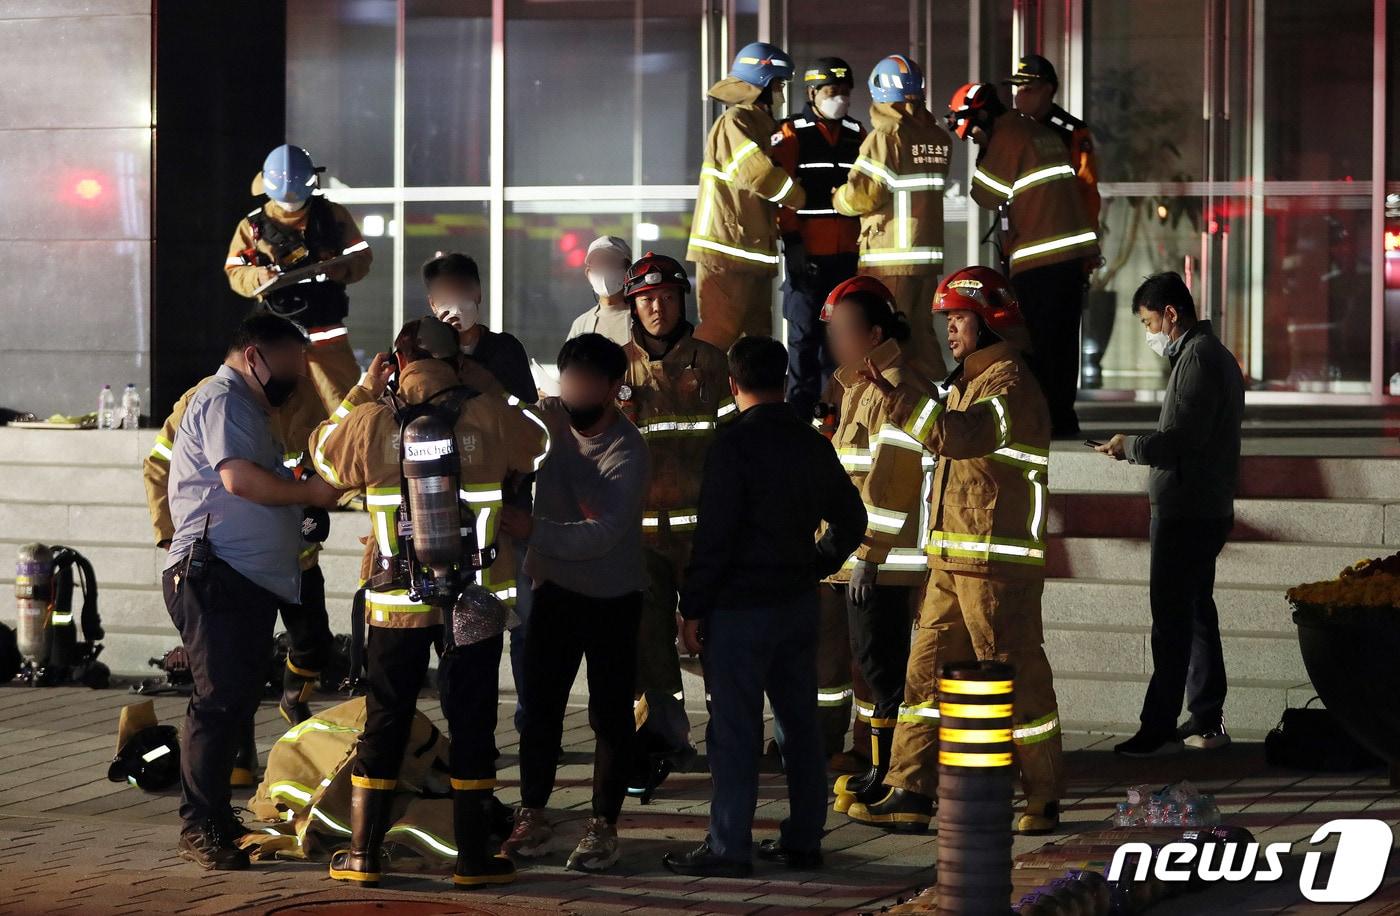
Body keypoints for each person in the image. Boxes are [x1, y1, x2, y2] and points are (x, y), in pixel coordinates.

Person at [309, 317, 546, 889]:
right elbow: (539, 441)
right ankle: (472, 859)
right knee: (473, 721)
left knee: (386, 717)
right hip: (477, 594)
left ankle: (364, 855)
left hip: (396, 597)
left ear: (396, 359)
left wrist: (364, 390)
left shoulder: (370, 419)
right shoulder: (489, 412)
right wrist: (493, 385)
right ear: (457, 360)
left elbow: (321, 455)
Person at [847, 266, 1065, 836]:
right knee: (922, 682)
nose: (950, 330)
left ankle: (1042, 795)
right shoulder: (967, 382)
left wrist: (897, 398)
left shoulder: (1009, 384)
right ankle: (910, 791)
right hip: (953, 560)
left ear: (991, 321)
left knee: (1015, 677)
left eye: (960, 318)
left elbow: (959, 435)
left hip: (996, 565)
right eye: (947, 320)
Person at [662, 337, 866, 878]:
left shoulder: (732, 447)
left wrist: (692, 607)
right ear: (783, 380)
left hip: (739, 608)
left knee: (735, 730)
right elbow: (852, 519)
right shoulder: (809, 443)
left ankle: (729, 845)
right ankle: (804, 839)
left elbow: (715, 538)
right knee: (799, 725)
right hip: (796, 603)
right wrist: (813, 564)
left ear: (733, 384)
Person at [162, 314, 341, 870]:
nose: (295, 375)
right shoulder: (224, 399)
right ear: (254, 355)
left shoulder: (248, 406)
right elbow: (238, 479)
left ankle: (213, 817)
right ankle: (201, 825)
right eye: (289, 363)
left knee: (233, 699)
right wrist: (307, 492)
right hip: (216, 572)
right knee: (218, 703)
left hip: (240, 576)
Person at [497, 333, 650, 874]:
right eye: (568, 379)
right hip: (554, 592)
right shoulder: (550, 419)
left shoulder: (627, 449)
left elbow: (604, 533)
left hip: (613, 596)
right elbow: (503, 417)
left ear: (613, 388)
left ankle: (602, 826)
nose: (575, 390)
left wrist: (531, 529)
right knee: (539, 711)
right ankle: (533, 815)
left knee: (610, 716)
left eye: (587, 381)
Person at [144, 371, 333, 778]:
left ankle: (291, 696)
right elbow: (159, 463)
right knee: (233, 670)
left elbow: (327, 454)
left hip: (295, 556)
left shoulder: (304, 394)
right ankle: (237, 758)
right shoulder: (208, 400)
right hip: (233, 560)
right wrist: (170, 534)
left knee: (315, 644)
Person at [1095, 273, 1244, 757]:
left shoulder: (1198, 358)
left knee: (1173, 621)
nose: (1148, 333)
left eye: (1148, 321)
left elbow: (1183, 439)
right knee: (1197, 613)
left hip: (1187, 509)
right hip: (1201, 505)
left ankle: (1157, 726)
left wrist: (1130, 446)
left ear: (1171, 314)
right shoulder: (1205, 355)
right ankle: (1206, 719)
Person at [614, 252, 734, 791]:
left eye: (665, 297)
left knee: (716, 637)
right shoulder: (616, 368)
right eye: (645, 299)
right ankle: (665, 737)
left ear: (682, 299)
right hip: (640, 537)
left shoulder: (713, 365)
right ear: (632, 306)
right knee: (647, 642)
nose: (656, 308)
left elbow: (738, 448)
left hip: (706, 534)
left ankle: (730, 738)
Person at [818, 276, 935, 818]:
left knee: (885, 672)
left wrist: (867, 554)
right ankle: (877, 768)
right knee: (873, 669)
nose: (835, 340)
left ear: (874, 333)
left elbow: (889, 484)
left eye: (844, 330)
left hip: (883, 564)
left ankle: (892, 776)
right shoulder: (863, 385)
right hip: (865, 559)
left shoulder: (893, 386)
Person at [947, 82, 1099, 439]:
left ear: (981, 116)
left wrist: (986, 153)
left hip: (1040, 257)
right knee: (1063, 343)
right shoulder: (1036, 129)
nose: (975, 140)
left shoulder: (1007, 135)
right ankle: (1062, 418)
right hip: (1069, 256)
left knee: (1037, 342)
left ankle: (1040, 421)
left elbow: (984, 193)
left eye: (974, 134)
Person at [225, 144, 373, 415]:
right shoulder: (252, 227)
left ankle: (344, 454)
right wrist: (259, 276)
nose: (291, 204)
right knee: (282, 407)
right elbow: (234, 271)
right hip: (277, 337)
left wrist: (339, 269)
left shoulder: (333, 216)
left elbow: (361, 256)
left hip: (326, 336)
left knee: (342, 406)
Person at [832, 54, 951, 377]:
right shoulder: (937, 137)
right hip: (925, 258)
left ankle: (886, 406)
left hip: (890, 256)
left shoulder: (885, 137)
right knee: (921, 334)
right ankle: (935, 400)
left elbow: (863, 194)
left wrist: (838, 198)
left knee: (885, 338)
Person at [686, 42, 806, 350]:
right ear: (762, 84)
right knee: (718, 339)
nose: (780, 92)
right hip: (727, 251)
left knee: (756, 346)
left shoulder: (758, 124)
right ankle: (694, 397)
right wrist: (799, 197)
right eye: (778, 84)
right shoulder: (735, 121)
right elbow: (760, 175)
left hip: (747, 252)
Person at [771, 57, 865, 418]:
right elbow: (780, 191)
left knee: (841, 340)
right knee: (804, 337)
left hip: (847, 255)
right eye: (832, 91)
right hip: (806, 253)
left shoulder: (858, 134)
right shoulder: (792, 133)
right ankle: (799, 411)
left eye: (845, 91)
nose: (839, 98)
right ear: (812, 93)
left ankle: (840, 412)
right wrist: (791, 240)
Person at [423, 252, 535, 404]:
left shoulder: (506, 349)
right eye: (445, 299)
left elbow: (528, 414)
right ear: (432, 304)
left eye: (462, 294)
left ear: (478, 293)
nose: (455, 307)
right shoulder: (423, 355)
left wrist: (493, 388)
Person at [1007, 55, 1100, 228]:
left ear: (1047, 90)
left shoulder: (1071, 131)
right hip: (1023, 233)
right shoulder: (1012, 130)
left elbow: (1087, 188)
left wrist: (1088, 238)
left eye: (1027, 89)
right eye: (1018, 88)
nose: (1020, 96)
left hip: (1062, 231)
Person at [566, 235, 635, 347]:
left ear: (628, 269)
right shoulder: (582, 324)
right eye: (598, 263)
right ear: (588, 274)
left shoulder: (642, 318)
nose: (604, 268)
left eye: (611, 262)